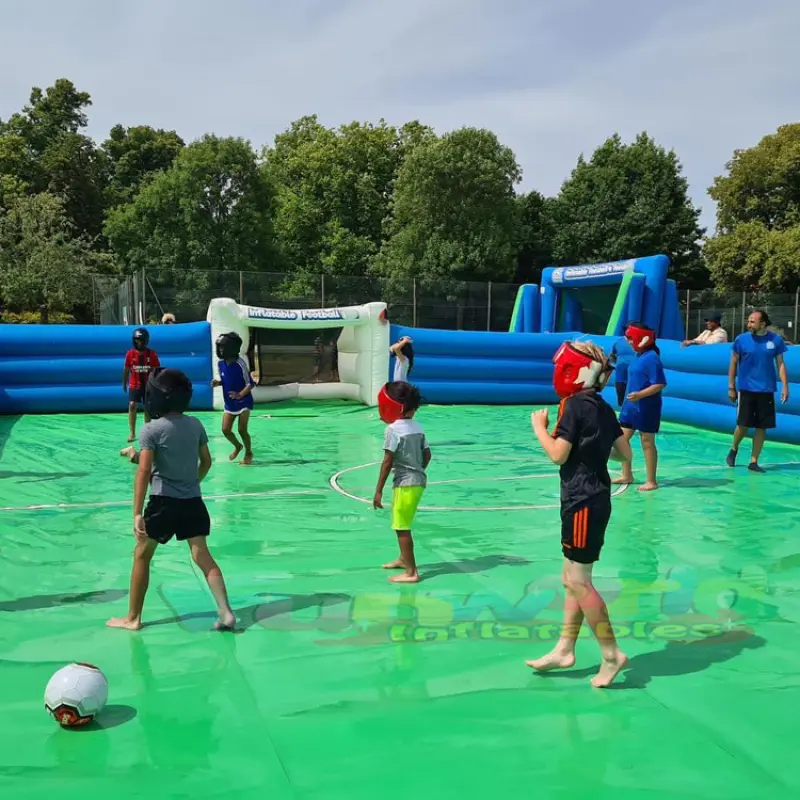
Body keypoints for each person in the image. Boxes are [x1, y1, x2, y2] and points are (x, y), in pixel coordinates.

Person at [527, 341, 632, 688]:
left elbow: (558, 454)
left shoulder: (572, 405)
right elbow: (624, 454)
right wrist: (595, 447)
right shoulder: (601, 406)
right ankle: (564, 648)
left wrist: (540, 429)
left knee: (578, 581)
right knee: (570, 577)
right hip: (593, 497)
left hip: (582, 501)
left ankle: (611, 653)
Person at [107, 368, 236, 632]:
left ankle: (133, 618)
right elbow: (206, 462)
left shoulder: (150, 430)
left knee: (142, 555)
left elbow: (144, 471)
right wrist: (192, 483)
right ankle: (226, 613)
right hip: (193, 503)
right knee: (203, 556)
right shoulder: (196, 424)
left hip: (163, 503)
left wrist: (136, 513)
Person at [373, 381, 431, 584]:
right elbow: (427, 454)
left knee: (401, 526)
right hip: (418, 481)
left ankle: (411, 572)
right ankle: (402, 559)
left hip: (405, 483)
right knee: (403, 522)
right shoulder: (417, 426)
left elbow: (387, 462)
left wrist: (378, 490)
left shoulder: (393, 429)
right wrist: (418, 470)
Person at [727, 310, 789, 472]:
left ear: (762, 324)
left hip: (766, 390)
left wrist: (785, 386)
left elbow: (780, 364)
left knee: (762, 426)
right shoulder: (741, 340)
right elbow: (733, 363)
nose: (749, 324)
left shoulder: (775, 341)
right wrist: (731, 387)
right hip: (746, 389)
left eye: (752, 321)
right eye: (748, 321)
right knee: (743, 425)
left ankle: (753, 461)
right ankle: (734, 448)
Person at [614, 322, 666, 492]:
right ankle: (627, 474)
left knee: (647, 442)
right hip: (631, 407)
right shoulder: (639, 356)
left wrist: (639, 395)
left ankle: (651, 480)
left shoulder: (651, 358)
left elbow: (659, 384)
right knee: (621, 439)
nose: (628, 342)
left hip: (646, 407)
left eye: (630, 338)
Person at [212, 332, 255, 465]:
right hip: (230, 403)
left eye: (223, 347)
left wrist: (240, 394)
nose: (220, 350)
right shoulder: (220, 364)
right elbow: (226, 380)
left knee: (242, 429)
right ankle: (238, 446)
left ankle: (248, 452)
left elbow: (250, 384)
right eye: (219, 347)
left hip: (244, 401)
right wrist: (218, 383)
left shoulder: (240, 364)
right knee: (225, 430)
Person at [123, 328, 160, 443]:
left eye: (140, 340)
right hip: (135, 384)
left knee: (147, 409)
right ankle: (132, 432)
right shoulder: (130, 354)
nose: (138, 342)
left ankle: (147, 432)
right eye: (136, 340)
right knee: (132, 405)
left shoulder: (152, 354)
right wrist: (124, 383)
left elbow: (157, 370)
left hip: (148, 385)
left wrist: (156, 384)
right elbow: (126, 369)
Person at [609, 335, 634, 407]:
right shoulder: (619, 342)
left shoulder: (618, 342)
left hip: (624, 375)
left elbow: (612, 356)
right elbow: (612, 355)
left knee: (622, 399)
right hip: (624, 375)